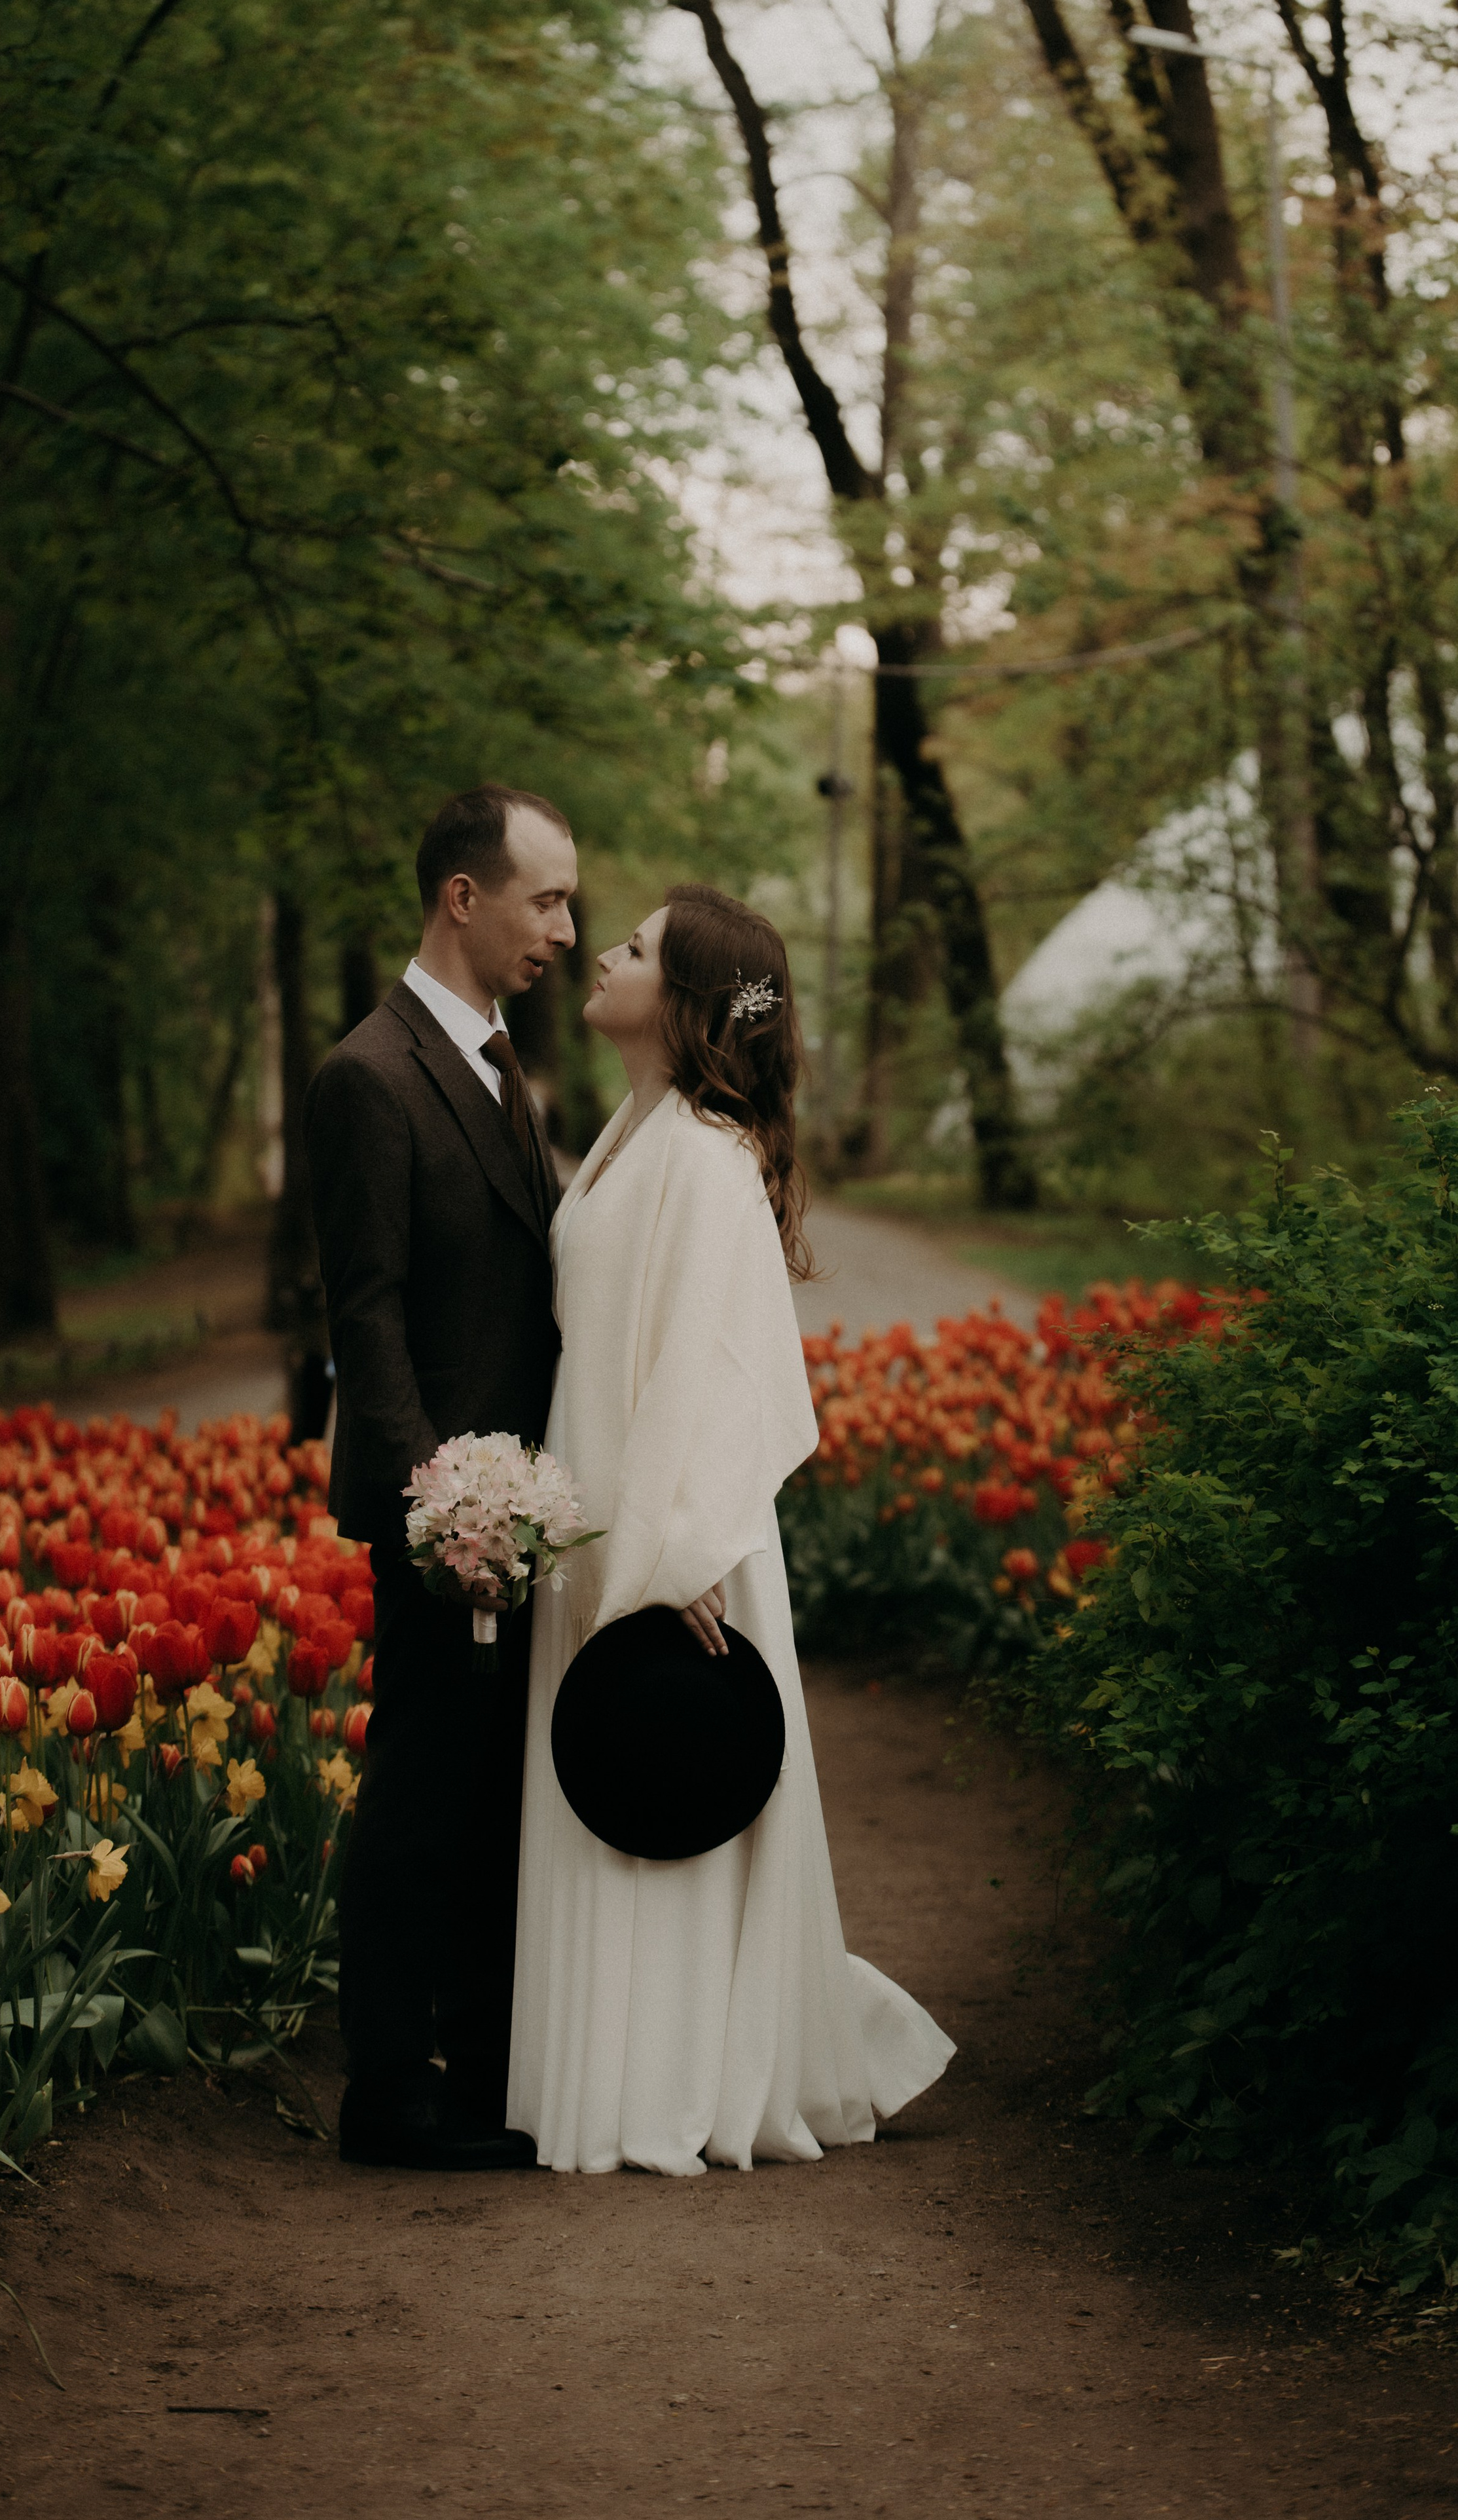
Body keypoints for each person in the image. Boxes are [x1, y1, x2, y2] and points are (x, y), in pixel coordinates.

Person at [507, 883, 955, 2176]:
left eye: (637, 947)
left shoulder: (704, 1156)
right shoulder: (625, 1130)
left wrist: (671, 1556)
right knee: (610, 1788)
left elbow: (710, 1365)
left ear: (688, 1002)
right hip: (607, 1532)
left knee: (664, 1788)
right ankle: (597, 2073)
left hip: (676, 1551)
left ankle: (670, 2088)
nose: (602, 949)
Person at [306, 783, 576, 2170]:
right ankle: (389, 2093)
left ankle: (477, 2065)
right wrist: (438, 1508)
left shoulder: (492, 1057)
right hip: (443, 1519)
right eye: (544, 899)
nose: (564, 930)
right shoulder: (367, 1073)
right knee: (418, 1789)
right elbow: (368, 1312)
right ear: (461, 898)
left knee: (480, 1795)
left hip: (509, 1508)